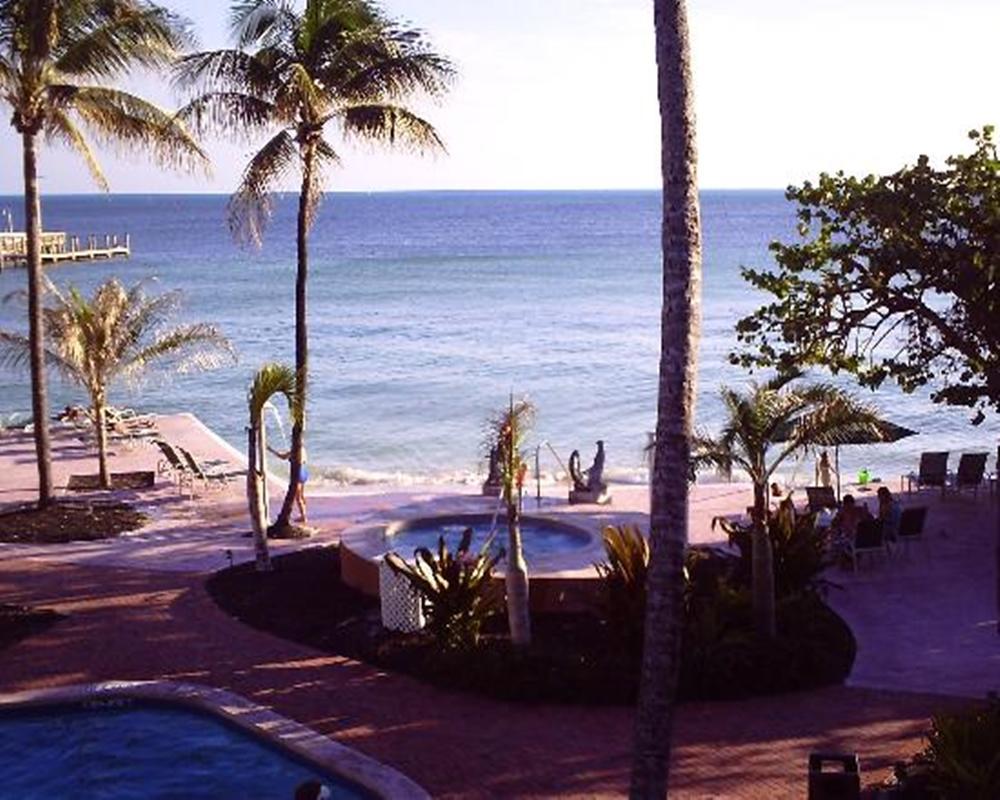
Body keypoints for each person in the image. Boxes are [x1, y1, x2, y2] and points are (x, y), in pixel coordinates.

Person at [268, 443, 309, 523]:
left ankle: (303, 517)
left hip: (298, 472)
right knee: (301, 495)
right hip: (304, 471)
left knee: (298, 497)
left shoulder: (295, 451)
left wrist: (270, 450)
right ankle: (303, 515)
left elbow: (282, 457)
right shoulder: (303, 450)